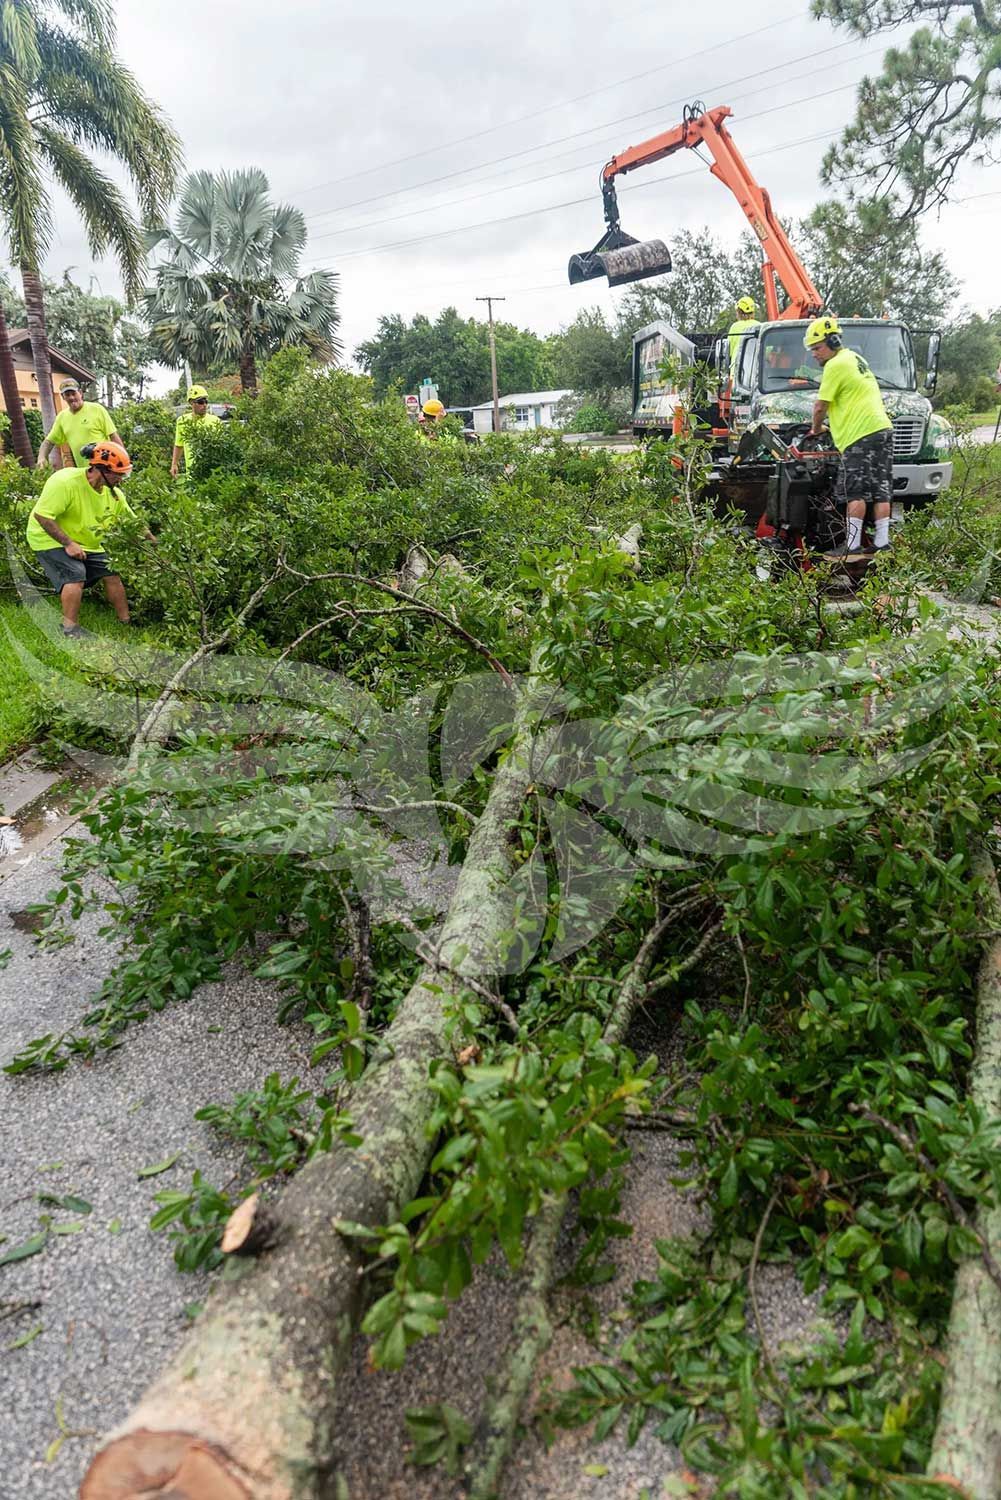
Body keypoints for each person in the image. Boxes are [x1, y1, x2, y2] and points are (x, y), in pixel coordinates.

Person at [27, 440, 143, 637]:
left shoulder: (114, 495)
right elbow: (42, 516)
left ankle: (126, 622)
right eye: (118, 474)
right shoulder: (65, 482)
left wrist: (154, 544)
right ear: (101, 469)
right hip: (47, 536)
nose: (122, 479)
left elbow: (135, 524)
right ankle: (69, 629)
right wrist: (69, 543)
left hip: (86, 541)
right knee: (75, 574)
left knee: (111, 573)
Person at [805, 314, 893, 556]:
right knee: (880, 489)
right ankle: (881, 543)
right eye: (812, 349)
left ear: (833, 342)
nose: (814, 353)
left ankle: (852, 547)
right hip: (882, 430)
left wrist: (815, 430)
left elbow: (820, 406)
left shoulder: (835, 365)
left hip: (860, 436)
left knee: (855, 491)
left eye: (817, 347)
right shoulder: (855, 359)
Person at [36, 380, 123, 471]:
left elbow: (113, 436)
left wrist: (123, 461)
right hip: (85, 472)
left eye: (74, 393)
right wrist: (41, 457)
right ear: (63, 397)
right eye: (67, 395)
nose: (71, 397)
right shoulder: (62, 417)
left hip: (107, 468)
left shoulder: (97, 409)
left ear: (80, 393)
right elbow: (48, 442)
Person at [171, 385, 222, 479]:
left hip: (213, 472)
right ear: (191, 402)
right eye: (200, 402)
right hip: (192, 473)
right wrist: (174, 464)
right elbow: (179, 444)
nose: (204, 405)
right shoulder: (182, 421)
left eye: (206, 402)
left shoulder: (215, 421)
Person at [728, 296, 759, 371]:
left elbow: (729, 351)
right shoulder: (759, 326)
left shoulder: (735, 327)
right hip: (756, 370)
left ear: (739, 311)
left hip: (737, 371)